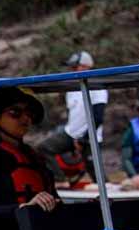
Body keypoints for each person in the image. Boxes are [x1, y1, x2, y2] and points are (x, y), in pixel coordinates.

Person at [0, 87, 61, 230]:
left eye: (29, 114)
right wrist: (21, 209)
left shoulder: (34, 157)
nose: (25, 118)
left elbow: (53, 197)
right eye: (15, 113)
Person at [37, 51, 108, 184]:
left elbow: (98, 117)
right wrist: (74, 136)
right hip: (70, 133)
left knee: (94, 169)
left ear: (86, 66)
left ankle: (110, 195)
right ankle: (60, 180)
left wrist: (83, 139)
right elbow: (73, 115)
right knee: (44, 148)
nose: (72, 70)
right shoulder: (71, 88)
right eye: (71, 67)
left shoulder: (98, 87)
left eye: (75, 67)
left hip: (90, 136)